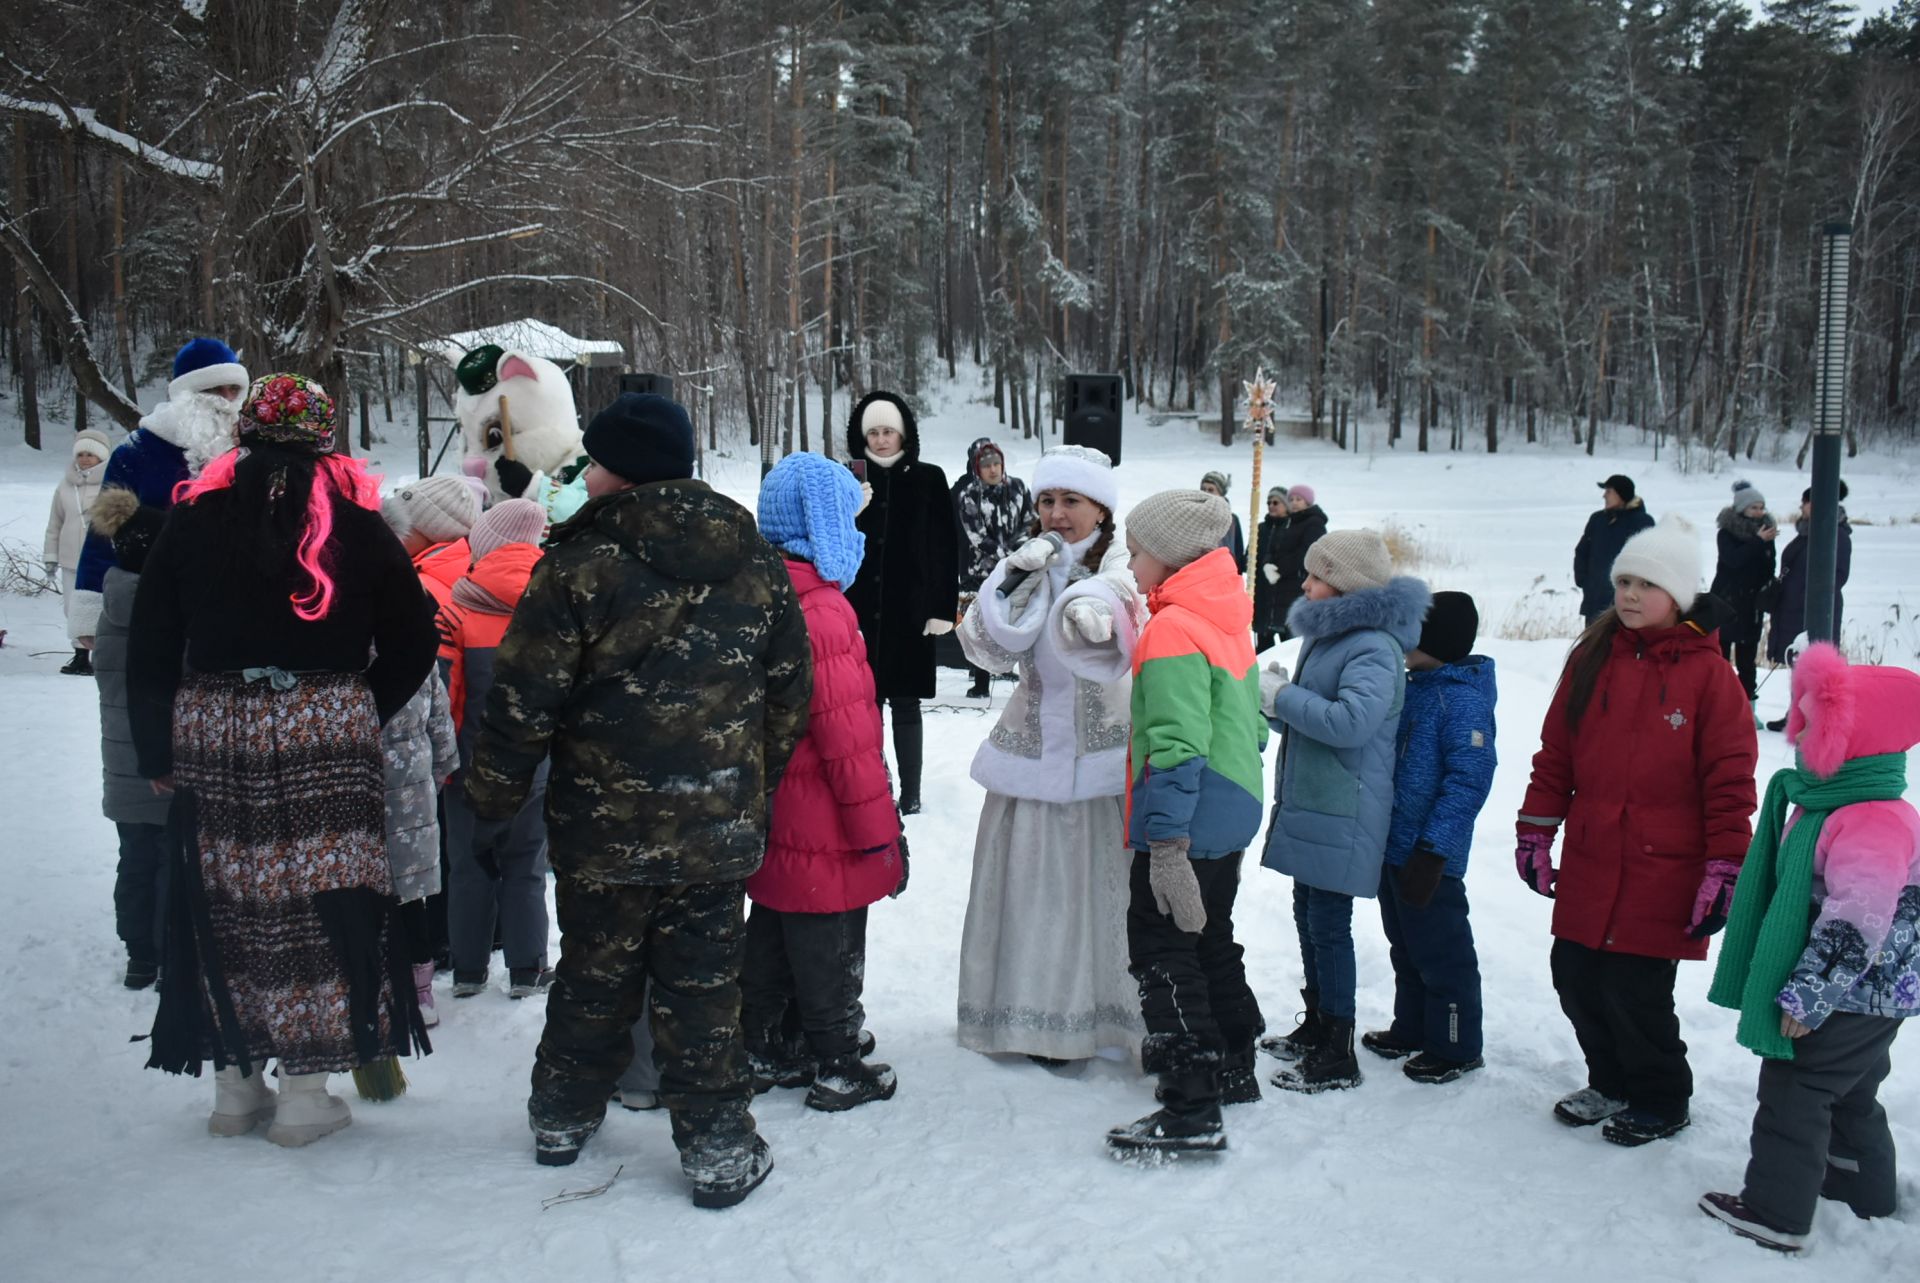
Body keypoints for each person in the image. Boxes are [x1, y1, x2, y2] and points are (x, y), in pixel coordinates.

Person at [463, 392, 810, 1208]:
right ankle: (718, 1145)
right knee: (702, 987)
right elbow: (791, 692)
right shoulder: (753, 559)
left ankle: (561, 1112)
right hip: (714, 827)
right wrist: (746, 783)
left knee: (593, 970)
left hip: (600, 827)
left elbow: (521, 700)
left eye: (593, 462)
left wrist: (492, 800)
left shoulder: (578, 561)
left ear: (613, 467)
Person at [129, 373, 438, 1148]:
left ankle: (236, 1086)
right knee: (322, 897)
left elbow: (153, 641)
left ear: (245, 434)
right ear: (324, 438)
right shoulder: (358, 525)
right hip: (324, 727)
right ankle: (304, 1093)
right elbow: (415, 633)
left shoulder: (192, 517)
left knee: (227, 894)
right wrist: (361, 702)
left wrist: (155, 743)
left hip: (213, 727)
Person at [1516, 516, 1758, 1146]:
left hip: (1665, 868)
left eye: (1645, 584)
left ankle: (1660, 1096)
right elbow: (1555, 756)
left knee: (1636, 992)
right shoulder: (1593, 657)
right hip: (1595, 855)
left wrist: (1727, 864)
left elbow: (1730, 780)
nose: (1627, 594)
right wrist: (1537, 831)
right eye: (1622, 580)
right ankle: (1610, 1080)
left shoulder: (1710, 677)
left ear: (1678, 596)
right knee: (1574, 974)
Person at [1699, 644, 1919, 1254]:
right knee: (1850, 1090)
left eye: (1817, 726)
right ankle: (1862, 1190)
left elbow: (1859, 917)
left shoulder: (1871, 818)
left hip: (1851, 988)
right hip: (1875, 989)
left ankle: (1775, 1210)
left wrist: (1808, 996)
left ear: (1859, 739)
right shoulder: (1839, 802)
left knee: (1797, 1090)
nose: (1801, 735)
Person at [955, 446, 1144, 1065]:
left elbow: (1131, 628)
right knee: (1034, 895)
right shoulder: (1029, 562)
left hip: (1103, 760)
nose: (1056, 514)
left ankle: (1104, 1019)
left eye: (1071, 501)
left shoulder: (1126, 568)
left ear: (1101, 509)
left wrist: (1098, 609)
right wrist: (1008, 583)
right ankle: (1031, 1021)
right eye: (1047, 501)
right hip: (1033, 755)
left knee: (1098, 895)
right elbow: (984, 653)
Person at [1103, 489, 1267, 1155]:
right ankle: (1234, 1060)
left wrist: (1166, 843)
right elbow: (1251, 725)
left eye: (1137, 551)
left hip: (1188, 817)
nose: (1131, 564)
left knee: (1164, 947)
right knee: (1209, 934)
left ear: (1167, 556)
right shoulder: (1225, 615)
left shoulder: (1171, 628)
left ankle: (1190, 1102)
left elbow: (1175, 747)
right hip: (1229, 809)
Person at [743, 452, 904, 1111]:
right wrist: (879, 833)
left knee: (775, 925)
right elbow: (849, 738)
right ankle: (835, 1057)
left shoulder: (756, 591)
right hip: (825, 813)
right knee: (829, 937)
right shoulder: (823, 612)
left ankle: (761, 1044)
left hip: (775, 807)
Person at [1258, 530, 1430, 1093]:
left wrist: (1281, 699)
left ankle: (1337, 1050)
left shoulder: (1373, 646)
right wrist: (1278, 698)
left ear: (1348, 584)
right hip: (1316, 801)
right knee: (1310, 918)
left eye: (1316, 576)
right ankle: (1317, 1026)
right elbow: (1316, 721)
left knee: (1329, 927)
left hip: (1346, 807)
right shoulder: (1331, 637)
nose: (1304, 585)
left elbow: (1350, 724)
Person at [1367, 591, 1495, 1084]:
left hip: (1430, 857)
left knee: (1443, 953)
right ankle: (1413, 1026)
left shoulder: (1461, 700)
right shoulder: (1416, 685)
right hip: (1395, 847)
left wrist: (1434, 848)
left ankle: (1457, 1045)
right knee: (1406, 945)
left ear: (1434, 640)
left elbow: (1469, 780)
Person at [437, 498, 555, 1002]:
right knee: (527, 863)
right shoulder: (558, 602)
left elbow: (445, 696)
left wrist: (444, 763)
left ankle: (467, 970)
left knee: (468, 866)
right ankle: (527, 969)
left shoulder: (456, 607)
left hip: (469, 765)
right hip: (538, 764)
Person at [72, 337, 248, 647]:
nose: (226, 401)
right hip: (150, 605)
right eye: (213, 390)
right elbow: (104, 530)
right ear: (185, 394)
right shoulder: (137, 450)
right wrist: (90, 603)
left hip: (232, 611)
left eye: (234, 390)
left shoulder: (249, 450)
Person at [845, 392, 959, 813]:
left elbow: (946, 546)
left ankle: (910, 793)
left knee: (906, 703)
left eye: (887, 431)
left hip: (911, 610)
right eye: (872, 432)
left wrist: (942, 608)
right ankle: (876, 785)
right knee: (865, 704)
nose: (880, 440)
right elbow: (830, 543)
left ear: (903, 433)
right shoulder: (848, 479)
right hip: (858, 611)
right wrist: (849, 510)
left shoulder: (929, 477)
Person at [84, 489, 172, 988]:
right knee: (170, 859)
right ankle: (168, 948)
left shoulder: (109, 604)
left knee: (134, 857)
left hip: (119, 759)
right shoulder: (163, 612)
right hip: (165, 757)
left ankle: (140, 955)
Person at [379, 664, 457, 1028]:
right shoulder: (418, 657)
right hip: (413, 783)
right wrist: (437, 772)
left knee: (362, 894)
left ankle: (374, 986)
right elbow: (442, 727)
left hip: (355, 785)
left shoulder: (340, 652)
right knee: (410, 894)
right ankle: (421, 992)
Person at [1764, 482, 1852, 730]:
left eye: (1805, 502)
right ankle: (1796, 715)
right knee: (1798, 663)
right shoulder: (1807, 532)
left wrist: (1808, 597)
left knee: (1814, 665)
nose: (1802, 507)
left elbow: (1838, 575)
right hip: (1791, 608)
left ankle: (1811, 719)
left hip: (1814, 610)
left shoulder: (1837, 534)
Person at [952, 437, 1034, 698]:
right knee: (982, 624)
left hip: (1019, 568)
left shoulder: (1019, 488)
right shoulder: (968, 495)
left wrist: (1017, 555)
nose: (993, 469)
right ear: (977, 468)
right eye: (987, 465)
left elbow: (1030, 523)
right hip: (980, 572)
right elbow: (975, 536)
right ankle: (981, 681)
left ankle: (1023, 675)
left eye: (997, 463)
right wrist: (1004, 557)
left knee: (1019, 620)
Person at [1709, 480, 1777, 718]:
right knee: (1721, 659)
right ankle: (1718, 708)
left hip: (1752, 606)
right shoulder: (1726, 533)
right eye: (1754, 508)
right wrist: (1758, 542)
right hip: (1726, 603)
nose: (1759, 512)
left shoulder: (1766, 534)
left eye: (1761, 507)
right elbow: (1733, 560)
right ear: (1741, 509)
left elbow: (1768, 569)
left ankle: (1747, 709)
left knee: (1748, 661)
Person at [45, 428, 110, 673]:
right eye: (80, 453)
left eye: (90, 454)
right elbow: (55, 524)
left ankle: (103, 652)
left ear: (101, 457)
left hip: (101, 558)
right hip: (70, 557)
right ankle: (80, 655)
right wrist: (50, 556)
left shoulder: (111, 482)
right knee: (72, 607)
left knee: (102, 605)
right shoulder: (64, 486)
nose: (84, 458)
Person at [383, 475, 484, 611]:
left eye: (398, 525)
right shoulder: (466, 571)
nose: (386, 533)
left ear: (435, 533)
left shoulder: (418, 590)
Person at [1572, 474, 1654, 625]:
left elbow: (1650, 560)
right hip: (1595, 601)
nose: (1604, 495)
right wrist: (1584, 580)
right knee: (1592, 647)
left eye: (1609, 491)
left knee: (1621, 647)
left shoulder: (1641, 522)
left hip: (1627, 604)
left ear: (1622, 495)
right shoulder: (1597, 520)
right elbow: (1582, 552)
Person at [1255, 483, 1328, 650]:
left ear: (1307, 502)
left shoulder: (1313, 523)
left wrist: (1279, 568)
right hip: (1278, 589)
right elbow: (1273, 548)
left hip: (1296, 584)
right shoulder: (1290, 522)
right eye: (1292, 499)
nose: (1294, 503)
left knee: (1291, 642)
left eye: (1299, 499)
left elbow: (1306, 554)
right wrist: (1267, 563)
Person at [1199, 470, 1246, 573]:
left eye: (1211, 490)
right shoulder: (1195, 516)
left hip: (1225, 573)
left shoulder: (1232, 520)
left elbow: (1237, 552)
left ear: (1221, 494)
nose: (1206, 493)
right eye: (1203, 489)